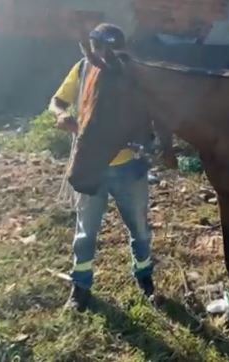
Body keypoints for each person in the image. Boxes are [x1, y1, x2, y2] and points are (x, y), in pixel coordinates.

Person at [49, 23, 159, 312]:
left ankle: (145, 277)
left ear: (122, 48)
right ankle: (80, 286)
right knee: (86, 232)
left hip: (130, 167)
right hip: (92, 164)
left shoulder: (132, 73)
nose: (105, 54)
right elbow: (58, 101)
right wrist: (62, 116)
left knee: (140, 229)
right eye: (100, 47)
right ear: (94, 47)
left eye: (112, 48)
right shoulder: (83, 69)